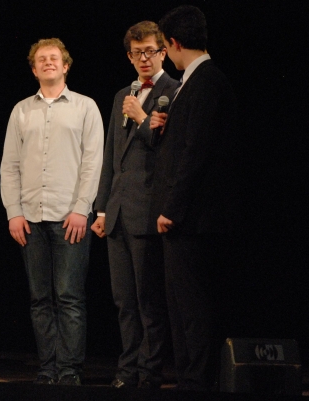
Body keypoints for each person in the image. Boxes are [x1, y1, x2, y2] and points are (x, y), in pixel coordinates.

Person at [0, 38, 104, 386]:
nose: (47, 63)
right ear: (33, 69)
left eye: (54, 58)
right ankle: (47, 369)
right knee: (40, 298)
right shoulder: (21, 110)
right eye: (41, 59)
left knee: (69, 297)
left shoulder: (85, 107)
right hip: (30, 217)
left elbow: (93, 163)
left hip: (69, 217)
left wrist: (81, 209)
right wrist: (14, 212)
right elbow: (9, 166)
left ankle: (69, 371)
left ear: (65, 66)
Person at [150, 5, 239, 391]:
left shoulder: (206, 80)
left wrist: (171, 208)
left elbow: (196, 153)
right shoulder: (195, 81)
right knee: (179, 304)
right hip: (187, 217)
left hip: (192, 218)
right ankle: (189, 375)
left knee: (192, 305)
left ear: (173, 43)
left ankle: (196, 380)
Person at [91, 20, 179, 389]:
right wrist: (101, 208)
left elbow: (170, 153)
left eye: (151, 51)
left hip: (147, 211)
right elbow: (113, 154)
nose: (144, 58)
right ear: (129, 56)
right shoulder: (121, 96)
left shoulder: (174, 91)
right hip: (119, 212)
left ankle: (149, 372)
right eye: (137, 53)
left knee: (149, 302)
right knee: (123, 301)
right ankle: (126, 371)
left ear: (163, 51)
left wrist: (143, 120)